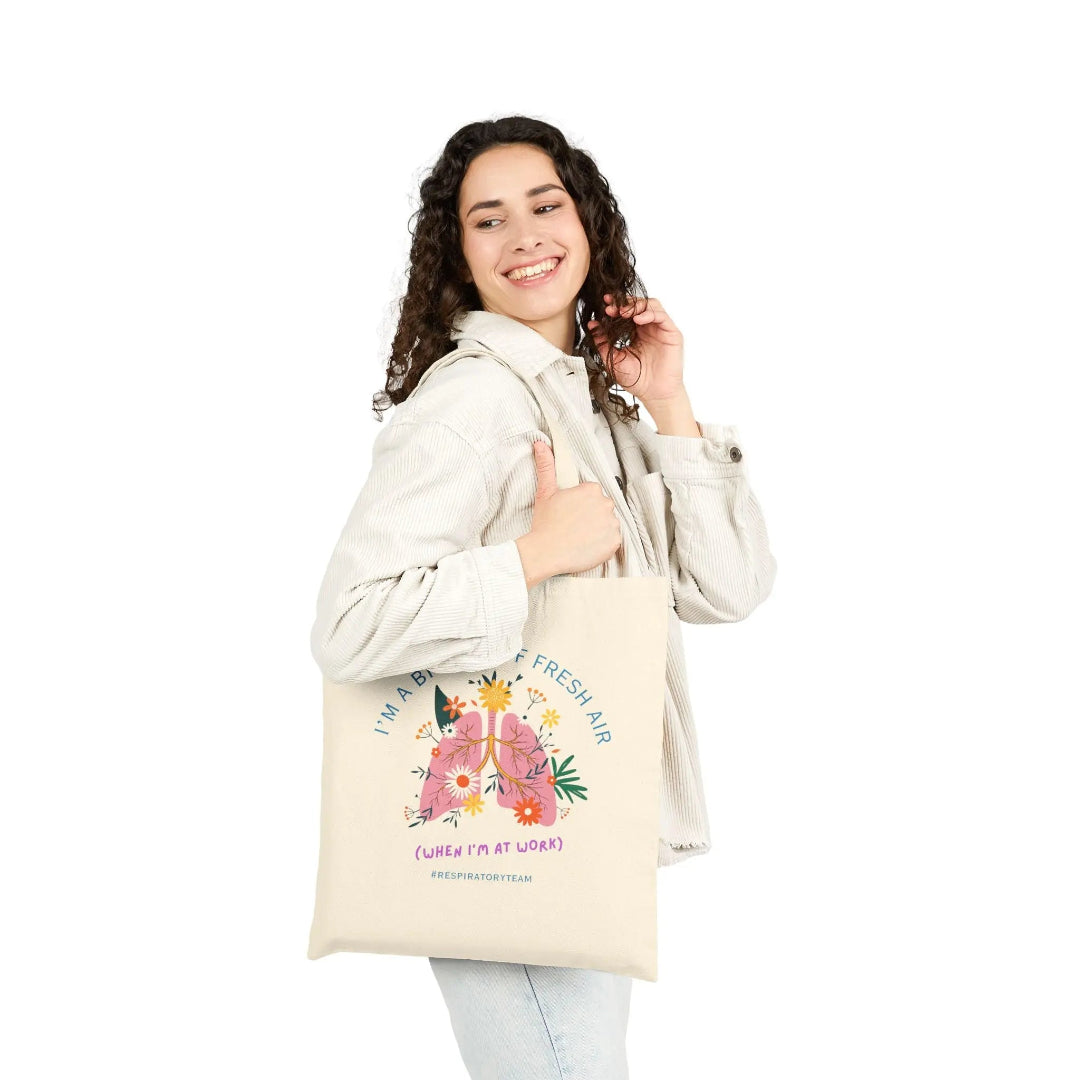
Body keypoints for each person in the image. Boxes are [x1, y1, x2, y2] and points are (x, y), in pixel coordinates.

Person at [309, 115, 777, 1080]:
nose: (525, 235)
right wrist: (530, 557)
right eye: (489, 219)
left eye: (546, 205)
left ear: (589, 223)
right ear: (460, 259)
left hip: (576, 828)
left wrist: (672, 407)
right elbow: (349, 625)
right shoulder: (473, 402)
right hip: (503, 833)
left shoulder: (587, 403)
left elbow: (727, 591)